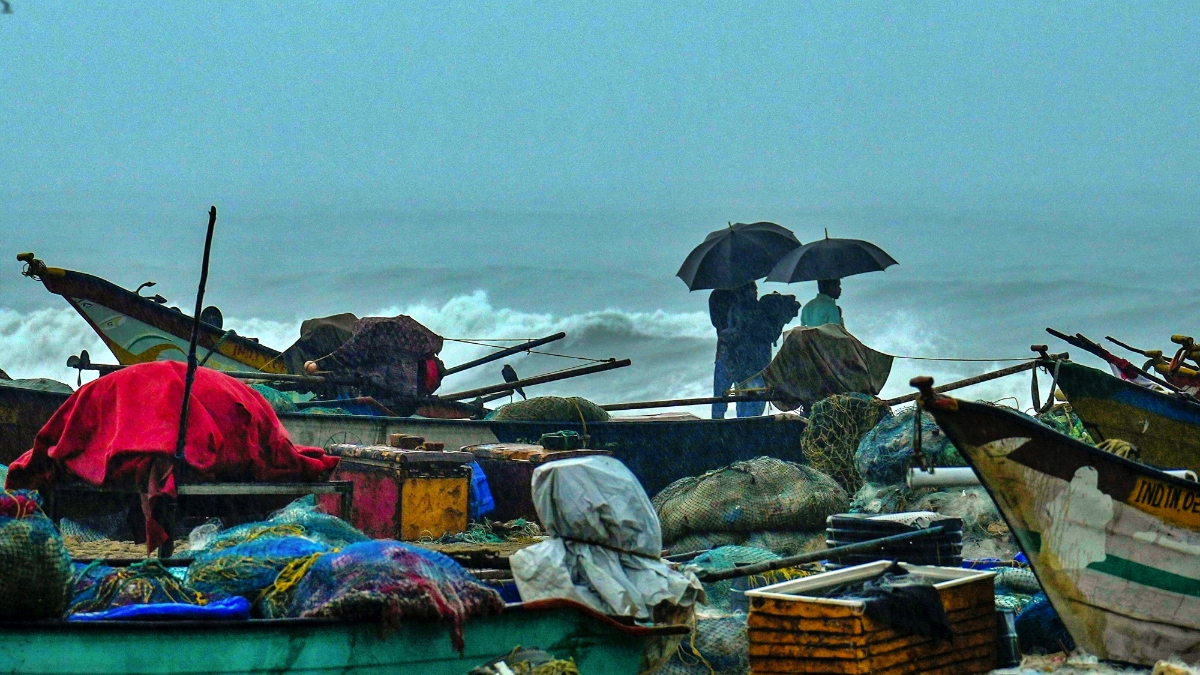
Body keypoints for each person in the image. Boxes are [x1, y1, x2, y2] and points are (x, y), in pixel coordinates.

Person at [710, 282, 757, 419]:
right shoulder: (742, 302)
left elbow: (716, 323)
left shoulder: (715, 296)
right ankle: (741, 427)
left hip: (723, 350)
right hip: (743, 355)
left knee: (719, 397)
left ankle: (716, 428)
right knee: (743, 394)